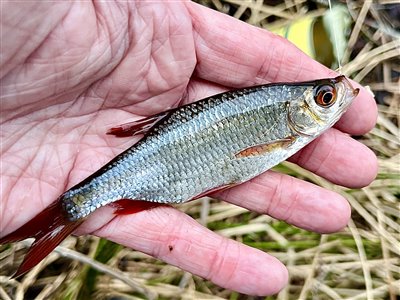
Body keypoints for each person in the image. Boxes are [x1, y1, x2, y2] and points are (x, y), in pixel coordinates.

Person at [0, 1, 378, 296]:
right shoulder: (283, 122)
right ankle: (65, 213)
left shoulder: (285, 120)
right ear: (295, 111)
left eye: (324, 97)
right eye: (326, 98)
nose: (336, 97)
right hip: (162, 154)